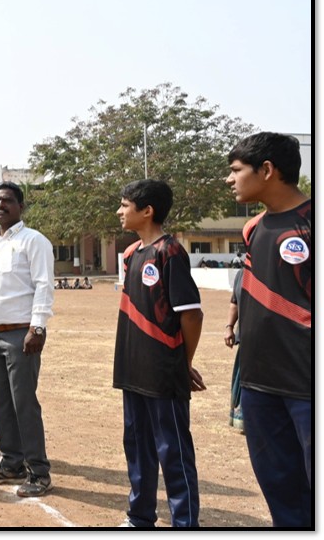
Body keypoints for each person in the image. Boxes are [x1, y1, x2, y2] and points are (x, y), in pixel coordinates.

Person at [226, 132, 312, 528]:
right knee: (281, 490)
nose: (230, 179)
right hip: (260, 385)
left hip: (308, 388)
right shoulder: (253, 229)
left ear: (266, 170)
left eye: (236, 170)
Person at [113, 180, 204, 528]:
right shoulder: (130, 254)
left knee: (174, 452)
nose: (120, 212)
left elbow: (191, 313)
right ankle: (139, 517)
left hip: (164, 370)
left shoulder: (170, 251)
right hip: (132, 368)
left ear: (147, 211)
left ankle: (184, 524)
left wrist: (184, 362)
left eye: (125, 205)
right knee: (137, 447)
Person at [0, 182, 55, 498]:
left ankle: (39, 472)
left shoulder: (34, 241)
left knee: (24, 403)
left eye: (6, 200)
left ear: (20, 206)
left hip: (21, 335)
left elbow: (44, 286)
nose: (0, 205)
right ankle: (11, 463)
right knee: (0, 402)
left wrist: (38, 328)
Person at [224, 264, 245, 433]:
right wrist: (229, 327)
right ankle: (243, 417)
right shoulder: (242, 274)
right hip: (247, 340)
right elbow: (234, 302)